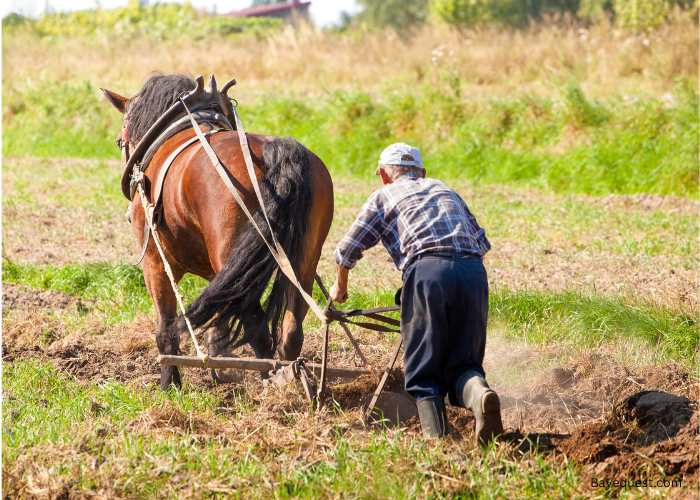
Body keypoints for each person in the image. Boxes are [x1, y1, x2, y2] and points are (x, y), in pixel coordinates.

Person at [329, 143, 504, 444]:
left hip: (427, 272)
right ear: (422, 172)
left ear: (384, 175)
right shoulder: (444, 189)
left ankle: (437, 441)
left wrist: (340, 287)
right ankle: (481, 395)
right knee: (466, 365)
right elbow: (481, 243)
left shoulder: (383, 195)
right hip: (474, 274)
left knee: (424, 373)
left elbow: (346, 250)